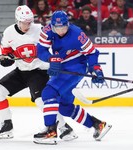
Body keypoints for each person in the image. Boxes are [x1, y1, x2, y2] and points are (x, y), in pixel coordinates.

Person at [0, 5, 77, 141]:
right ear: (17, 20)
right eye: (25, 22)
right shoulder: (8, 32)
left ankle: (65, 128)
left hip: (39, 71)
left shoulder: (41, 30)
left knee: (42, 101)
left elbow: (56, 45)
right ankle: (6, 126)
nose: (28, 25)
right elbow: (6, 53)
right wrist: (5, 59)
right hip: (21, 71)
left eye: (30, 22)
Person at [33, 10, 112, 145]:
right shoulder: (46, 31)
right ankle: (97, 124)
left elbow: (92, 53)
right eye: (57, 27)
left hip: (76, 66)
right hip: (62, 67)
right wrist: (51, 58)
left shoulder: (77, 34)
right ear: (52, 26)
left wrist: (95, 69)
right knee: (64, 106)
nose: (61, 30)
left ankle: (50, 132)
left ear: (68, 24)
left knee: (49, 93)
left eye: (63, 27)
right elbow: (40, 51)